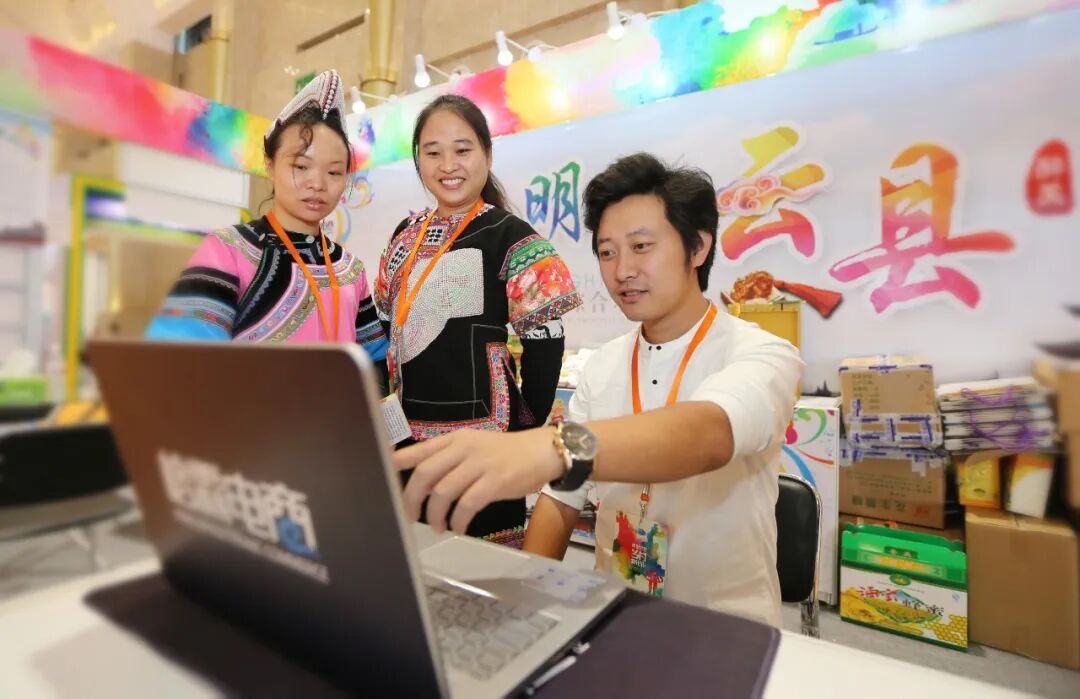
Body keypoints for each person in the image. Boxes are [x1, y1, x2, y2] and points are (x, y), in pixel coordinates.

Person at [392, 153, 803, 627]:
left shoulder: (763, 354)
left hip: (726, 631)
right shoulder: (603, 366)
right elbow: (562, 500)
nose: (622, 269)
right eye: (607, 252)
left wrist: (552, 448)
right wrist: (520, 609)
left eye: (641, 246)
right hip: (616, 619)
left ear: (697, 247)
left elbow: (710, 433)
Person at [374, 94, 581, 540]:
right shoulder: (404, 237)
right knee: (416, 560)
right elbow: (384, 332)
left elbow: (546, 345)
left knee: (483, 565)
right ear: (418, 160)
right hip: (406, 441)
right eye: (433, 152)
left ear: (487, 153)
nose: (448, 165)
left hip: (485, 446)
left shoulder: (512, 237)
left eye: (462, 150)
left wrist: (522, 434)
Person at [146, 70, 387, 362]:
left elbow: (374, 365)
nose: (317, 183)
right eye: (301, 167)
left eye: (334, 172)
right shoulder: (228, 251)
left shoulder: (350, 270)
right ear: (270, 165)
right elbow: (177, 361)